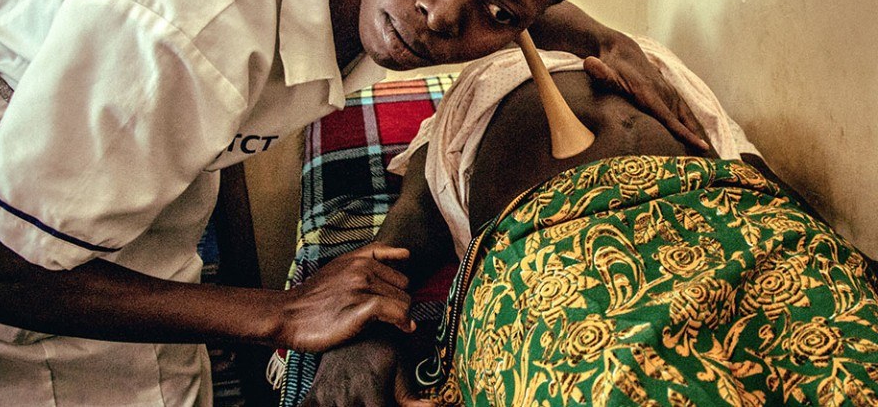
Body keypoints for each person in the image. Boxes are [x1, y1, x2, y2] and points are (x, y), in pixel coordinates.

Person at [0, 0, 702, 404]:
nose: (440, 14)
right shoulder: (177, 24)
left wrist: (601, 39)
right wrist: (282, 312)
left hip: (131, 201)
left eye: (497, 14)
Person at [305, 37, 878, 405]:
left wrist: (827, 249)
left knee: (844, 354)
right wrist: (364, 335)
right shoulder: (469, 92)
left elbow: (740, 159)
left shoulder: (650, 60)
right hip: (556, 249)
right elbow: (410, 224)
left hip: (721, 211)